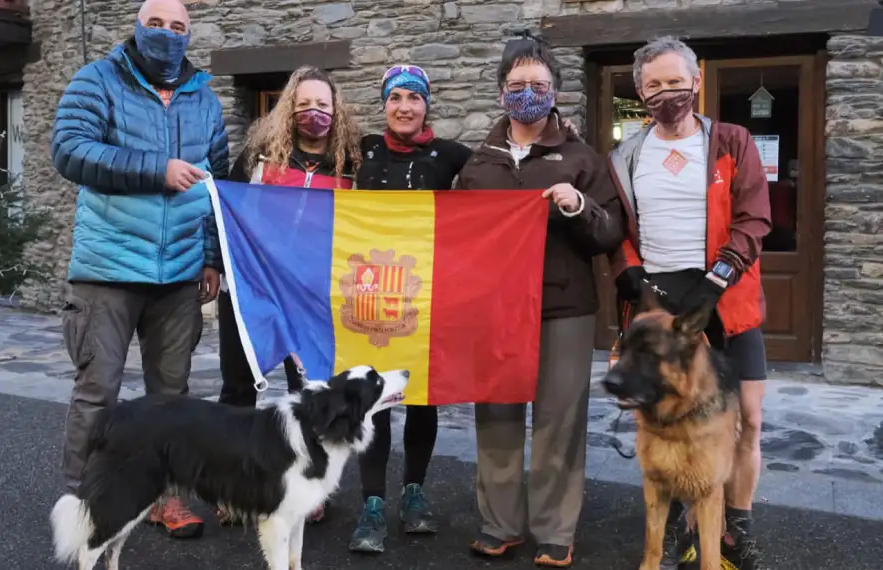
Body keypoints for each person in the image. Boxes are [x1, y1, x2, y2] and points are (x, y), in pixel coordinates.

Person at [50, 0, 227, 539]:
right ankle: (82, 502)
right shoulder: (97, 79)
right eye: (156, 24)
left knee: (171, 398)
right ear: (136, 26)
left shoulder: (205, 100)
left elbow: (217, 185)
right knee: (97, 392)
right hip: (106, 270)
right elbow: (69, 150)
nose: (166, 35)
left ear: (189, 35)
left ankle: (164, 497)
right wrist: (157, 170)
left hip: (177, 275)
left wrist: (212, 257)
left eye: (178, 27)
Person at [456, 34, 625, 568]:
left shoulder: (581, 158)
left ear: (555, 91)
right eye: (517, 85)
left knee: (560, 420)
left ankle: (555, 530)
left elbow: (611, 233)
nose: (527, 93)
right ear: (501, 91)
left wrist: (579, 206)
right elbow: (457, 237)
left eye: (539, 85)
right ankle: (499, 524)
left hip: (564, 308)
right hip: (496, 310)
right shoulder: (479, 163)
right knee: (498, 416)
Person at [609, 36, 771, 570]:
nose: (666, 92)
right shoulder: (626, 155)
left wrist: (718, 278)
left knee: (746, 418)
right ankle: (685, 523)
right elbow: (621, 230)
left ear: (696, 81)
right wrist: (627, 270)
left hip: (726, 293)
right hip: (660, 302)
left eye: (676, 81)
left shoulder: (733, 140)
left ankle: (734, 530)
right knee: (667, 414)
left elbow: (754, 219)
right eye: (654, 85)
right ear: (639, 91)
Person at [216, 64, 361, 525]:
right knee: (239, 389)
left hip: (314, 298)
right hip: (254, 290)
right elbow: (226, 215)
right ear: (287, 111)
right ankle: (234, 485)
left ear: (337, 111)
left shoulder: (353, 166)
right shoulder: (258, 159)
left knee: (312, 393)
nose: (313, 112)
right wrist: (217, 268)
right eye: (303, 105)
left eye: (322, 104)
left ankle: (311, 486)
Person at [345, 64, 473, 554]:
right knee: (374, 399)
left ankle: (414, 492)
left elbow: (500, 184)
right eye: (395, 97)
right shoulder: (359, 152)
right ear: (384, 104)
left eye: (414, 99)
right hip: (370, 289)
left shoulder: (452, 155)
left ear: (426, 105)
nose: (404, 107)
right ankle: (372, 503)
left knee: (422, 395)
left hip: (426, 291)